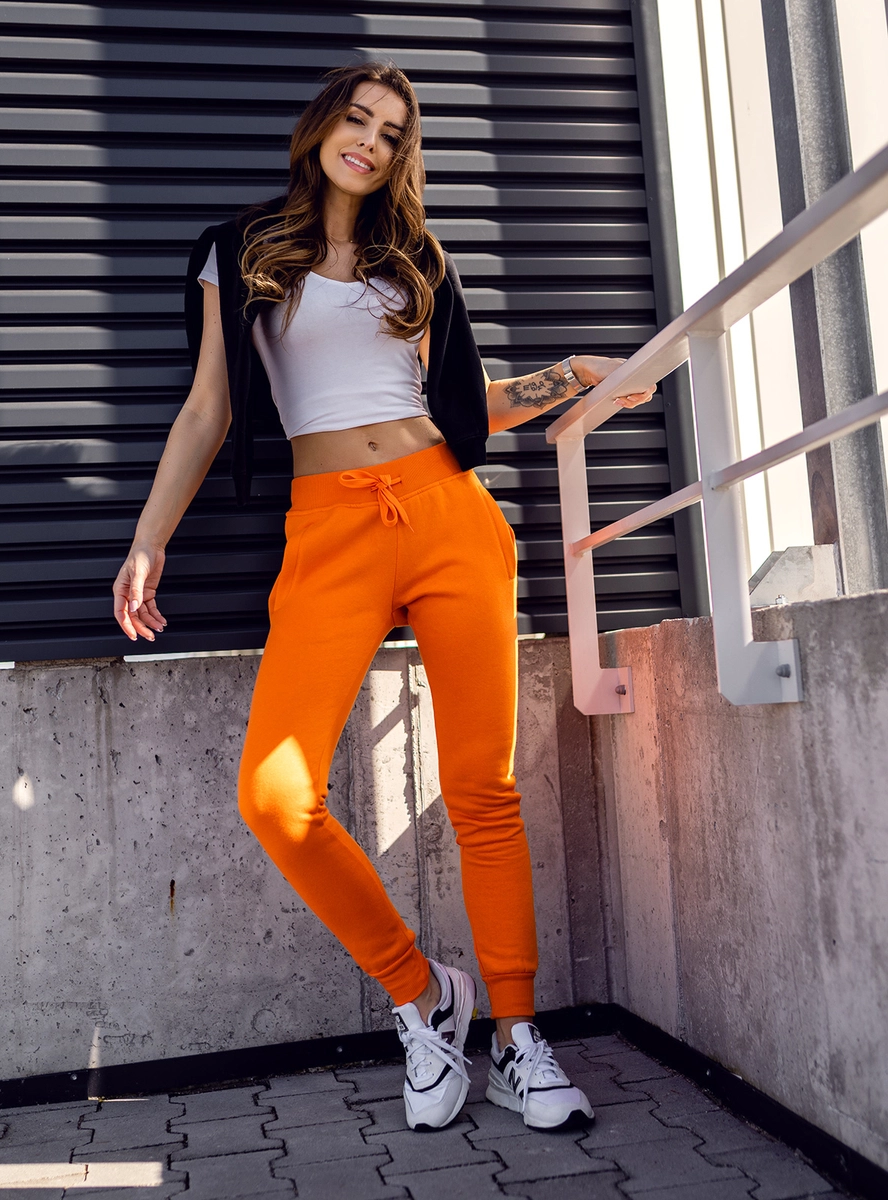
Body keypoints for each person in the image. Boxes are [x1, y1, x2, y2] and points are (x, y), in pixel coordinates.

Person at [113, 61, 655, 1133]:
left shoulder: (418, 260)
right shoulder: (239, 249)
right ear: (322, 127)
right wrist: (147, 540)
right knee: (275, 796)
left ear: (406, 153)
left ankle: (517, 1036)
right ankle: (423, 994)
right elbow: (208, 411)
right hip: (329, 532)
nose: (369, 141)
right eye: (357, 119)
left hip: (449, 515)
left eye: (393, 131)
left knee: (481, 786)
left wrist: (572, 376)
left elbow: (467, 409)